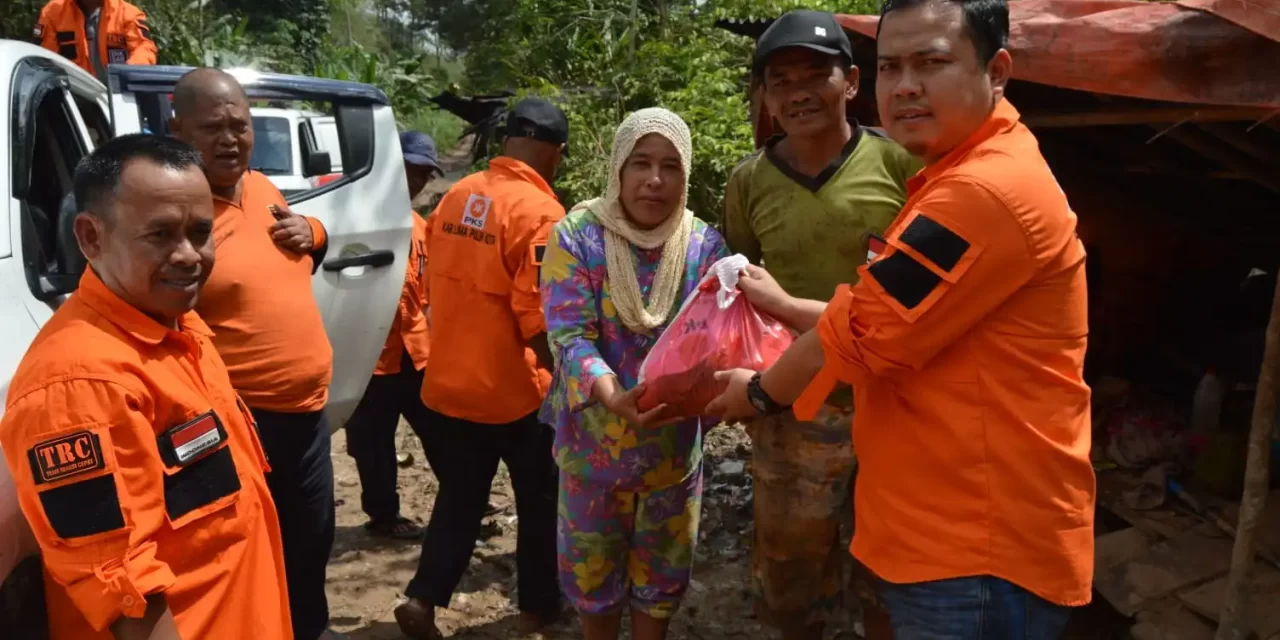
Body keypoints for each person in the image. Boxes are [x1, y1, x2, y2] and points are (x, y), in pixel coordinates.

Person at [708, 0, 1094, 637]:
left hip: (973, 544)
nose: (907, 85)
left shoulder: (976, 192)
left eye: (932, 62)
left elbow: (861, 329)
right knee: (795, 560)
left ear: (996, 70)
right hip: (945, 516)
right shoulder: (955, 177)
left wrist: (757, 391)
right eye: (893, 66)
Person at [0, 134, 291, 640]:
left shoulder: (175, 324)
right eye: (160, 235)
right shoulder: (77, 384)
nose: (188, 256)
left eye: (201, 232)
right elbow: (117, 583)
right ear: (91, 237)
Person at [718, 10, 920, 639]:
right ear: (765, 97)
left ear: (852, 82)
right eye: (780, 81)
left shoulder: (901, 165)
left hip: (893, 403)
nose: (798, 92)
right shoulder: (749, 181)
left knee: (891, 564)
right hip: (793, 404)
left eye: (815, 74)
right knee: (790, 566)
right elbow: (743, 283)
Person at [540, 108, 728, 640]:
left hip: (671, 455)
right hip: (593, 454)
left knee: (660, 587)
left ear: (685, 177)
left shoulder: (703, 246)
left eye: (671, 166)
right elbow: (570, 336)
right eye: (641, 163)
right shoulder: (578, 237)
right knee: (592, 583)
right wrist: (615, 396)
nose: (655, 179)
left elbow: (715, 338)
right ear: (618, 169)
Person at [169, 67, 343, 640]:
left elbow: (297, 242)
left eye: (239, 125)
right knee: (249, 557)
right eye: (211, 127)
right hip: (240, 424)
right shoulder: (180, 221)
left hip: (308, 419)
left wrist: (314, 232)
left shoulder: (263, 187)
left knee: (310, 545)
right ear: (178, 131)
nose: (229, 139)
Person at [394, 97, 568, 640]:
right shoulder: (541, 214)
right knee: (540, 502)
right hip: (516, 394)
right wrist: (568, 377)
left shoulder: (456, 198)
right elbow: (534, 316)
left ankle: (423, 600)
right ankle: (537, 613)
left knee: (461, 498)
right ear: (554, 154)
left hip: (450, 385)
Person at [344, 130, 442, 540]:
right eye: (408, 170)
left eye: (422, 173)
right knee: (373, 441)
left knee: (441, 431)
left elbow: (428, 290)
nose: (415, 180)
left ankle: (462, 495)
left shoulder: (420, 226)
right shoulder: (355, 221)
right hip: (370, 354)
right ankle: (383, 515)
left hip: (416, 351)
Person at [33, 0, 157, 82]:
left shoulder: (127, 14)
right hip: (73, 92)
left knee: (155, 92)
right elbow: (44, 60)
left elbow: (144, 49)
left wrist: (127, 74)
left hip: (120, 92)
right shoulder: (53, 13)